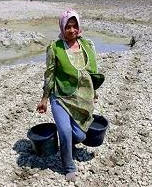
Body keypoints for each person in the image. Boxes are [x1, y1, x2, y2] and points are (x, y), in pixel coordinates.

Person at [37, 9, 104, 182]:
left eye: (75, 26)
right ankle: (68, 166)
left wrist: (94, 91)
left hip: (82, 98)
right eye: (68, 27)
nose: (72, 30)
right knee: (65, 131)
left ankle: (65, 141)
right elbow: (49, 74)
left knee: (80, 136)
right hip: (60, 97)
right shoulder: (55, 48)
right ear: (62, 27)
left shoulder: (87, 45)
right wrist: (45, 98)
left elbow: (92, 72)